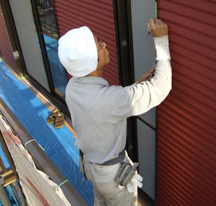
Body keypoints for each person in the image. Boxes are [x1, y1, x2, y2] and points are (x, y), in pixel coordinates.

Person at [58, 18, 172, 206]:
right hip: (112, 177)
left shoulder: (73, 87)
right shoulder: (109, 100)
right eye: (99, 44)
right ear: (92, 61)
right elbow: (161, 87)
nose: (105, 44)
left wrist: (136, 86)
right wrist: (161, 40)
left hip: (91, 167)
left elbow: (105, 107)